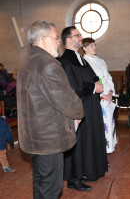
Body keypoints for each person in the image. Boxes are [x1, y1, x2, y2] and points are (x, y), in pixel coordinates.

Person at [17, 20, 84, 198]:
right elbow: (67, 100)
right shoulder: (47, 65)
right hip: (49, 140)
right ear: (44, 39)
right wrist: (79, 113)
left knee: (41, 185)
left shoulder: (28, 62)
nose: (58, 43)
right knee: (50, 190)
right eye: (56, 38)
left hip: (34, 138)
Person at [59, 26, 108, 191]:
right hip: (79, 107)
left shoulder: (81, 58)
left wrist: (98, 84)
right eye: (77, 35)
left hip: (91, 105)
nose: (81, 37)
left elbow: (93, 76)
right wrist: (94, 88)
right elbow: (72, 85)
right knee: (79, 142)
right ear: (68, 40)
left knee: (89, 139)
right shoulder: (65, 61)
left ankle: (89, 170)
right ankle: (74, 178)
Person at [82, 38, 117, 154]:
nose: (94, 47)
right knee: (100, 126)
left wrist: (111, 92)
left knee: (108, 124)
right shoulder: (84, 62)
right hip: (98, 98)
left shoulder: (101, 60)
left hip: (108, 97)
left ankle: (109, 148)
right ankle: (101, 152)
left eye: (94, 45)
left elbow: (108, 77)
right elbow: (89, 82)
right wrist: (103, 94)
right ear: (84, 48)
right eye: (91, 45)